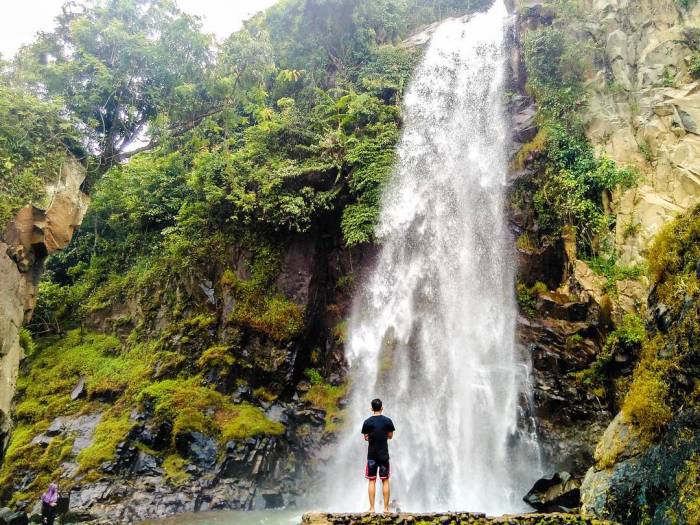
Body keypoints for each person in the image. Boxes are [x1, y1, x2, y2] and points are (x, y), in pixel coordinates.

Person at [361, 398, 395, 513]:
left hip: (371, 456)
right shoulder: (388, 421)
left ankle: (372, 508)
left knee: (372, 481)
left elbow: (366, 437)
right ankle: (386, 509)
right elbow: (390, 436)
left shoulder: (367, 422)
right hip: (384, 455)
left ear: (371, 409)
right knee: (385, 480)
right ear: (382, 408)